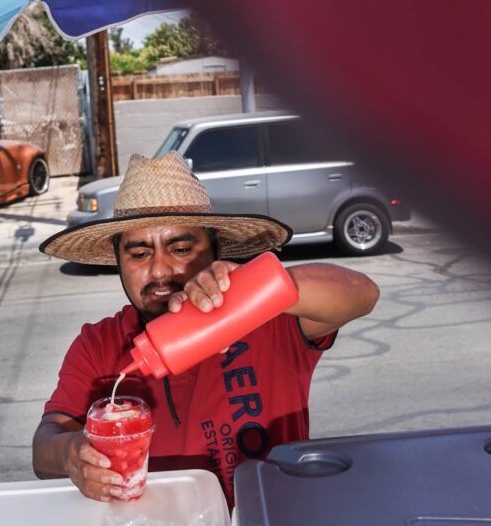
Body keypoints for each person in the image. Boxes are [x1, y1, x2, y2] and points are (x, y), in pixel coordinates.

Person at [32, 151, 379, 504]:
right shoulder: (98, 344)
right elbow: (45, 447)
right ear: (118, 260)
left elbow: (363, 294)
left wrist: (261, 289)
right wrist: (71, 455)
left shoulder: (264, 316)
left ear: (215, 248)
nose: (159, 271)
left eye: (181, 248)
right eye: (139, 254)